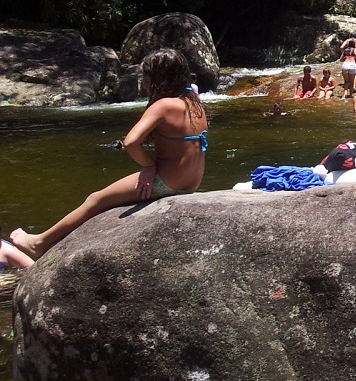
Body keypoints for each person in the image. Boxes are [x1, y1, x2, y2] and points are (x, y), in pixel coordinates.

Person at [9, 48, 208, 262]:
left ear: (156, 79)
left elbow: (131, 142)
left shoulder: (163, 105)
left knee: (95, 199)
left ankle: (38, 243)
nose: (143, 82)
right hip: (192, 181)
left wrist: (149, 166)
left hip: (168, 182)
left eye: (145, 77)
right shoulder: (194, 103)